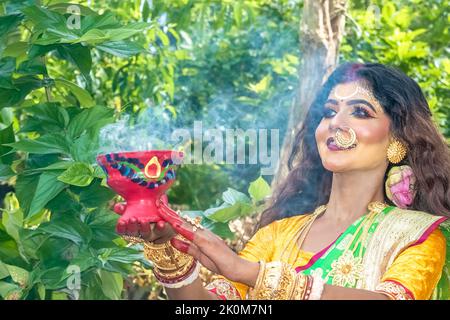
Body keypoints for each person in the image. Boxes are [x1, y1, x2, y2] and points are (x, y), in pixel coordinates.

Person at [116, 63, 450, 300]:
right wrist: (168, 252)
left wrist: (251, 273)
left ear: (397, 141)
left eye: (360, 112)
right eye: (329, 112)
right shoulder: (278, 234)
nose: (336, 123)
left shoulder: (417, 236)